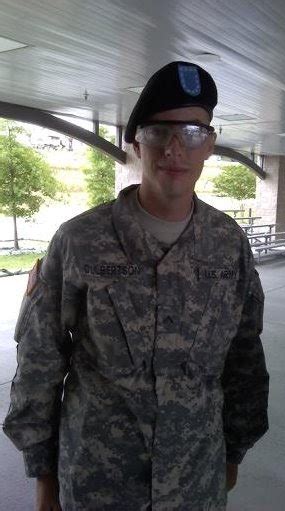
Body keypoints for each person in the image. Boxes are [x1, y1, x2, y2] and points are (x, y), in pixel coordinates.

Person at [3, 61, 269, 511]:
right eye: (157, 132)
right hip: (96, 481)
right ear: (135, 140)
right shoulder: (80, 241)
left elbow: (244, 356)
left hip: (195, 478)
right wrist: (44, 479)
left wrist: (234, 451)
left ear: (210, 145)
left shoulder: (228, 244)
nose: (174, 149)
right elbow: (39, 364)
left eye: (192, 133)